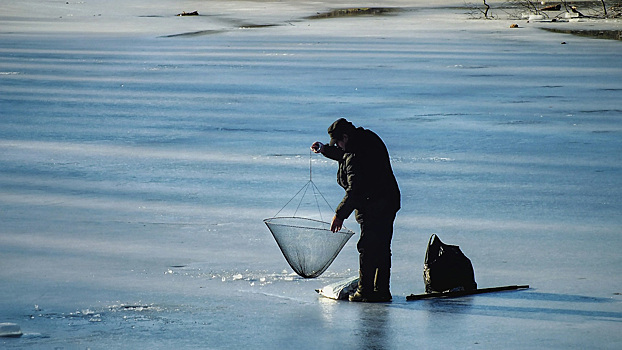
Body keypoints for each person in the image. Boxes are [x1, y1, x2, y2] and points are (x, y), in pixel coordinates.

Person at [311, 118, 400, 302]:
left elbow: (355, 190)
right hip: (387, 200)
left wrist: (339, 215)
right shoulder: (363, 139)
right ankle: (381, 290)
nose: (339, 146)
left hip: (376, 204)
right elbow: (344, 154)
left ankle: (366, 291)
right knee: (382, 246)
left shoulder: (356, 155)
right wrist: (324, 149)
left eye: (338, 142)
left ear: (345, 136)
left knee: (367, 247)